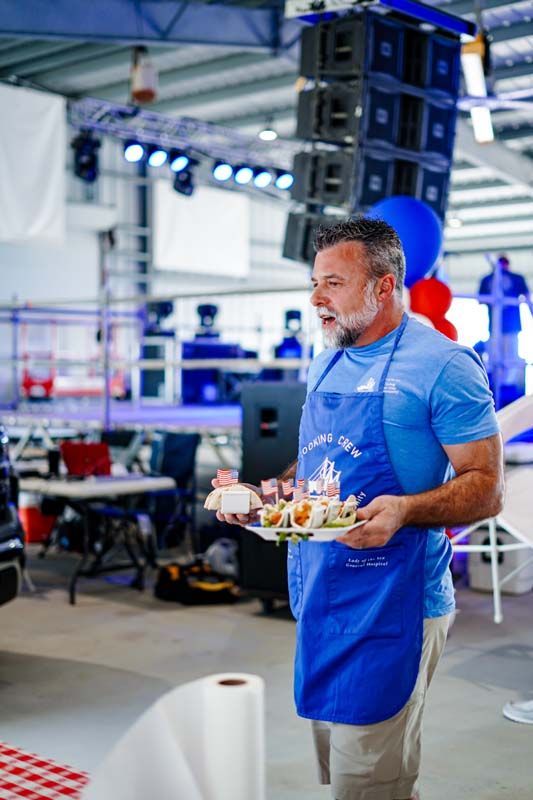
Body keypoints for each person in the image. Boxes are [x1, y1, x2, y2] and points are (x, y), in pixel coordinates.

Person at [215, 216, 504, 800]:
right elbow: (318, 464)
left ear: (383, 288)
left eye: (334, 284)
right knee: (356, 777)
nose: (317, 299)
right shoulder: (328, 358)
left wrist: (401, 509)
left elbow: (487, 488)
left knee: (368, 782)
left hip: (396, 603)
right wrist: (267, 497)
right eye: (315, 283)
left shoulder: (443, 366)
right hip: (325, 593)